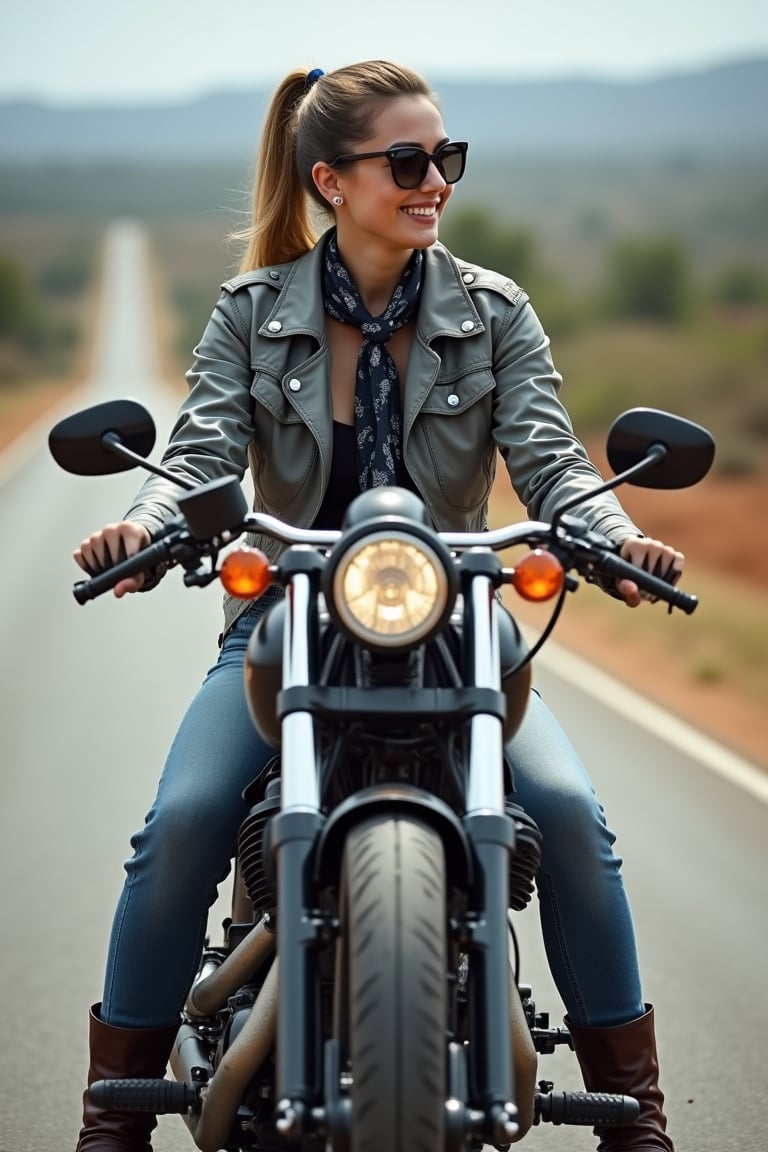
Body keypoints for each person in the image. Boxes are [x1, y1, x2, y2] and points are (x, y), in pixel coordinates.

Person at [73, 60, 680, 1152]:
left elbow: (550, 460)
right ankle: (111, 1118)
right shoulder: (253, 314)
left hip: (460, 625)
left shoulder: (495, 312)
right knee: (178, 827)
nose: (434, 180)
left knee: (578, 827)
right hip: (288, 622)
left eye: (445, 157)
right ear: (330, 180)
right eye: (407, 160)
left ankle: (635, 1114)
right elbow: (198, 449)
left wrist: (616, 534)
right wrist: (145, 523)